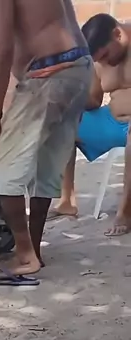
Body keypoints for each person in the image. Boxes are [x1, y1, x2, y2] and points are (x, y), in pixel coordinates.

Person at [0, 0, 93, 284]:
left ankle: (25, 256)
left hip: (49, 74)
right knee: (45, 167)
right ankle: (34, 251)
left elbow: (2, 50)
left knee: (4, 170)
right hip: (79, 67)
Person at [49, 14, 131, 236]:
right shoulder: (98, 60)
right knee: (63, 124)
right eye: (98, 60)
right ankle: (67, 201)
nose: (103, 63)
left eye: (105, 56)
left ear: (117, 34)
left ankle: (126, 212)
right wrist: (69, 94)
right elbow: (94, 100)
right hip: (113, 121)